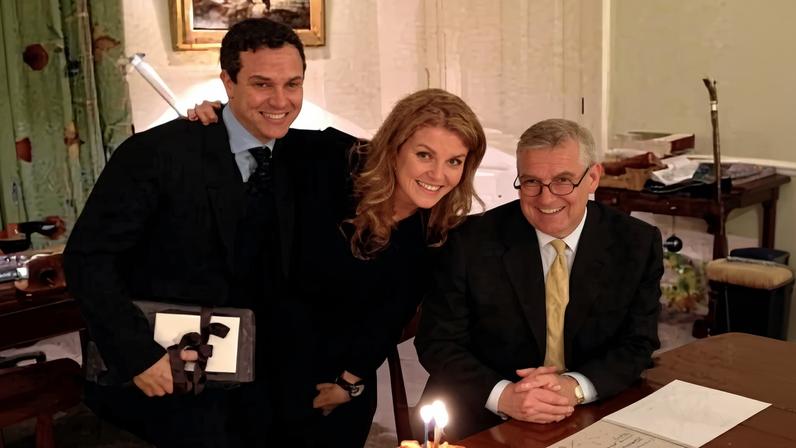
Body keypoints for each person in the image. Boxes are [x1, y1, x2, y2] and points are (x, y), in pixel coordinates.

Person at [64, 18, 358, 447]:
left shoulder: (307, 154)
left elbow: (398, 157)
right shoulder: (156, 154)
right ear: (228, 81)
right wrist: (138, 356)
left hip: (270, 384)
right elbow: (88, 259)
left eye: (292, 84)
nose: (281, 100)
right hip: (175, 379)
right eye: (261, 84)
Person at [189, 88, 487, 447]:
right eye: (424, 154)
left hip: (332, 381)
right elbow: (258, 137)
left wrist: (350, 383)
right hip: (257, 356)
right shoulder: (334, 158)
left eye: (454, 161)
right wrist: (220, 116)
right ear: (394, 148)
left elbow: (389, 319)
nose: (438, 174)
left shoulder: (436, 233)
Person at [414, 118, 663, 440]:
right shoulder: (469, 241)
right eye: (531, 182)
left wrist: (574, 387)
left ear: (593, 178)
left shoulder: (637, 243)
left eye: (563, 181)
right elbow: (438, 342)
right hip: (480, 411)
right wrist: (504, 395)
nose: (546, 199)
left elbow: (638, 342)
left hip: (590, 408)